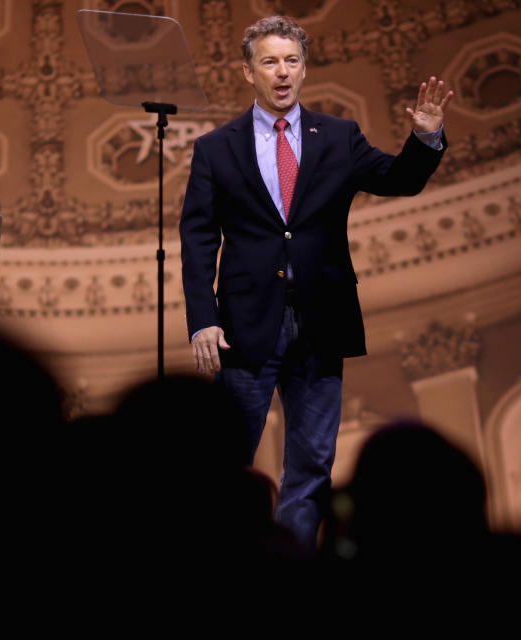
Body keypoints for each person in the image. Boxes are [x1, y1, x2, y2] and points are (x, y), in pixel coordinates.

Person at [179, 15, 452, 551]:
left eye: (292, 61)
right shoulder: (216, 148)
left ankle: (293, 573)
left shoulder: (338, 136)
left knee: (312, 465)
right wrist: (203, 320)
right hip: (243, 328)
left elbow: (399, 179)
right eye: (270, 62)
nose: (283, 73)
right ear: (248, 72)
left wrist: (425, 136)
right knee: (225, 460)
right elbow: (198, 239)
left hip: (321, 322)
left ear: (304, 69)